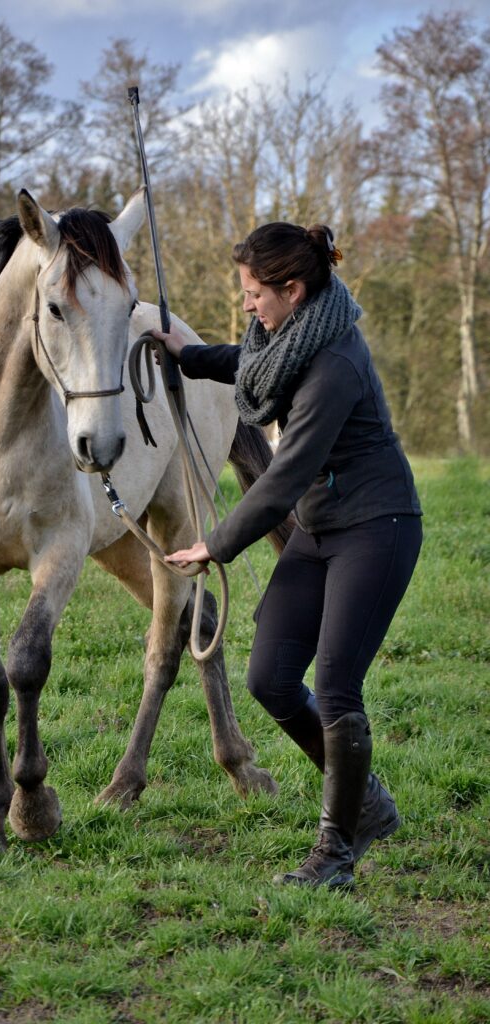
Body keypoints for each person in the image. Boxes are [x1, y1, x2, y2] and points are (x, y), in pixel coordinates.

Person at [153, 222, 422, 890]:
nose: (246, 304)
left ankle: (336, 850)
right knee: (269, 678)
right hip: (319, 526)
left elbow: (280, 475)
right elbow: (255, 367)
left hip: (375, 525)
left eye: (252, 292)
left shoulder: (334, 364)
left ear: (292, 289)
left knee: (334, 687)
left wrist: (213, 545)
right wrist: (186, 355)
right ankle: (364, 803)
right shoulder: (295, 337)